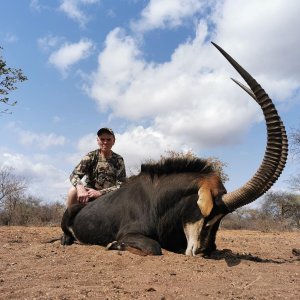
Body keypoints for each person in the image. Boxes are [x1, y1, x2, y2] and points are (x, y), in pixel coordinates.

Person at [66, 127, 126, 208]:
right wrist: (80, 187)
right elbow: (74, 175)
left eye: (108, 139)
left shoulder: (119, 160)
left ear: (113, 141)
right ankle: (69, 219)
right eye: (102, 139)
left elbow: (121, 184)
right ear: (98, 141)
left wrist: (100, 193)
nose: (105, 142)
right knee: (72, 191)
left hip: (111, 196)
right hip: (90, 195)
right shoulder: (91, 156)